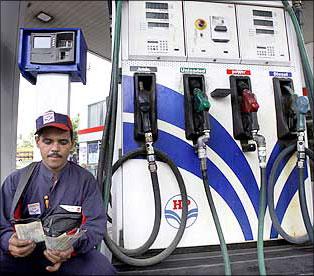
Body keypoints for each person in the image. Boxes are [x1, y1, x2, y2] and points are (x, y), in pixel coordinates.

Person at [0, 111, 116, 275]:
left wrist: (71, 248)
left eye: (62, 142)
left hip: (71, 257)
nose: (55, 148)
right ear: (37, 141)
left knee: (103, 270)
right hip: (24, 257)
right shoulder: (16, 181)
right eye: (48, 141)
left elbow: (95, 225)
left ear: (71, 143)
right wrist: (9, 241)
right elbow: (2, 225)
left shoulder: (85, 181)